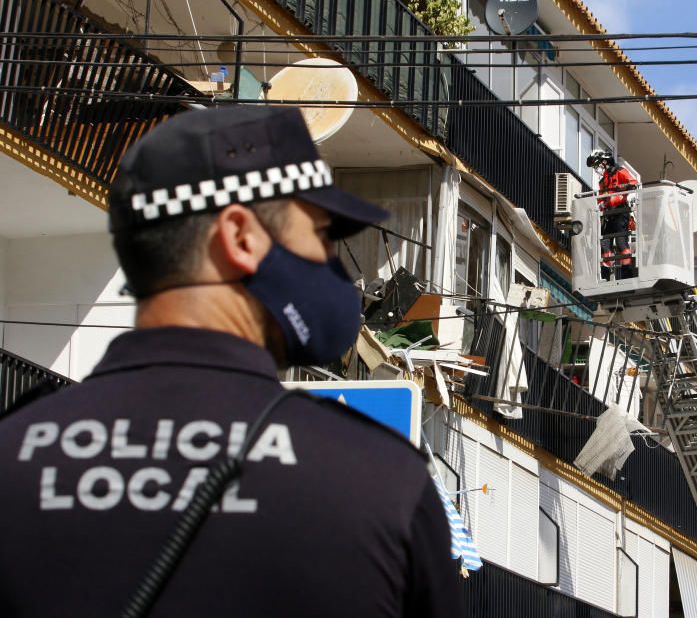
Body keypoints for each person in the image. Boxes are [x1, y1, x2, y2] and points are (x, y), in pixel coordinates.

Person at [0, 106, 463, 617]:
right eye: (320, 235)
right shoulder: (381, 484)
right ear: (242, 239)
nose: (332, 266)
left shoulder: (13, 453)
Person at [586, 149, 638, 280]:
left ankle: (627, 274)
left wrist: (624, 192)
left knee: (621, 242)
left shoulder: (619, 171)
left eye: (596, 166)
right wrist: (600, 203)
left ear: (604, 162)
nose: (596, 169)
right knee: (605, 243)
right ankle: (605, 275)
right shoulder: (603, 181)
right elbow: (601, 197)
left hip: (621, 210)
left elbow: (633, 184)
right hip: (609, 214)